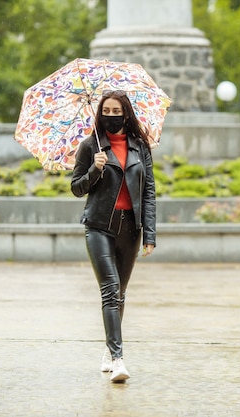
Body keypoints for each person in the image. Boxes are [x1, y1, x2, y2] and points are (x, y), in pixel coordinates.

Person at [71, 90, 156, 383]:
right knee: (109, 290)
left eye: (116, 110)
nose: (111, 115)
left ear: (125, 113)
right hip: (98, 226)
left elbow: (149, 192)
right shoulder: (89, 147)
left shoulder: (140, 147)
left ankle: (109, 351)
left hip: (130, 230)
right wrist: (95, 170)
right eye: (106, 110)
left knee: (119, 294)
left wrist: (150, 233)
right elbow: (77, 188)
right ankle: (118, 358)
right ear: (100, 114)